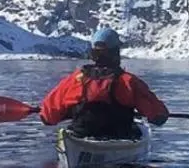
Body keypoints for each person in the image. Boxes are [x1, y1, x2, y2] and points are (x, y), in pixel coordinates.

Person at [40, 27, 169, 139]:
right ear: (116, 53)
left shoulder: (75, 79)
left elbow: (47, 117)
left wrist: (68, 112)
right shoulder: (128, 81)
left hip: (81, 135)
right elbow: (159, 116)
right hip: (119, 138)